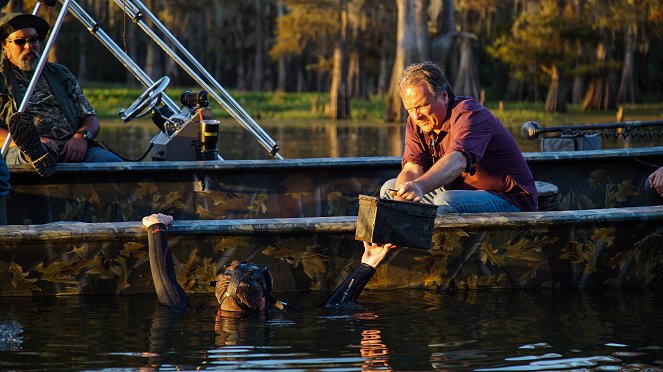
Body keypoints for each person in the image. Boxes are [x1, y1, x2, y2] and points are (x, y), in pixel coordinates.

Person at [142, 213, 395, 313]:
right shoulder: (279, 316)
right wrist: (366, 265)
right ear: (263, 302)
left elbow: (166, 284)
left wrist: (156, 226)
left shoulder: (190, 314)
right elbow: (334, 308)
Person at [382, 61, 538, 213]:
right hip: (461, 195)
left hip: (511, 200)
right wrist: (397, 211)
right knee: (391, 189)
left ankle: (415, 237)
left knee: (445, 200)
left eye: (421, 105)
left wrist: (420, 186)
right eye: (410, 109)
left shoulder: (470, 114)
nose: (416, 115)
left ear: (443, 96)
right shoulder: (416, 121)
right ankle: (396, 237)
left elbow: (458, 160)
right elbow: (412, 168)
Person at [0, 13, 121, 177]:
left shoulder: (60, 73)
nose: (28, 46)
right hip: (21, 151)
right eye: (20, 41)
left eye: (33, 40)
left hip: (73, 149)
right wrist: (24, 143)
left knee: (116, 165)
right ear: (4, 45)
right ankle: (36, 152)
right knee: (34, 154)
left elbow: (90, 118)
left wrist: (82, 137)